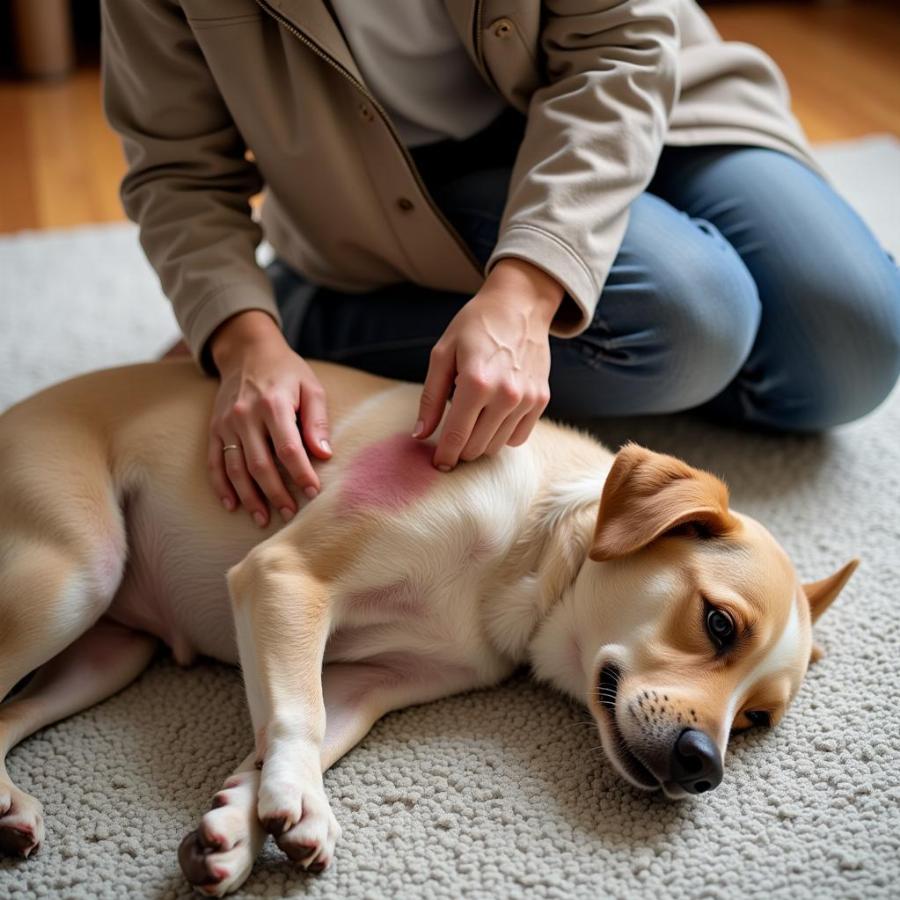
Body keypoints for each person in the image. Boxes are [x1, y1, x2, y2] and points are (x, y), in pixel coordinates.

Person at [101, 0, 900, 529]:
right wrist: (244, 340)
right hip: (389, 182)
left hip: (643, 91)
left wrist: (525, 291)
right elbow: (177, 164)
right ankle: (308, 313)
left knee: (855, 347)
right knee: (694, 320)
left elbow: (621, 45)